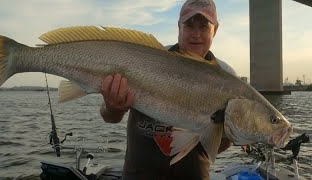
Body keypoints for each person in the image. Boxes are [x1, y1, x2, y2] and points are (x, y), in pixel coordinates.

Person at [100, 0, 237, 179]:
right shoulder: (147, 59)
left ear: (215, 30)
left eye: (204, 27)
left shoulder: (227, 77)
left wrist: (229, 133)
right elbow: (109, 117)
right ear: (179, 26)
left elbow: (221, 145)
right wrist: (112, 107)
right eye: (189, 25)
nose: (196, 34)